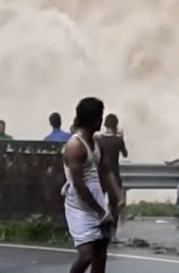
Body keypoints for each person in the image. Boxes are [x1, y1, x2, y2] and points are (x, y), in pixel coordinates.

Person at [62, 97, 122, 273]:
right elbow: (79, 186)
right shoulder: (75, 146)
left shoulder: (97, 143)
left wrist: (117, 197)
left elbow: (105, 171)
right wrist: (101, 212)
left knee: (101, 253)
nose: (102, 121)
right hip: (79, 205)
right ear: (93, 119)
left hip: (97, 200)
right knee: (87, 255)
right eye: (100, 116)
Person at [96, 113, 128, 242]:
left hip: (100, 175)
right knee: (114, 205)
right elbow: (125, 154)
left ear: (105, 125)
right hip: (114, 175)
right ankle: (113, 234)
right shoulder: (118, 140)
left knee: (99, 203)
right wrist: (121, 137)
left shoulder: (98, 140)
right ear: (116, 125)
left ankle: (98, 231)